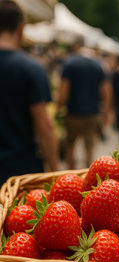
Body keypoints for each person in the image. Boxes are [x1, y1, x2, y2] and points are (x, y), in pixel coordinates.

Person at [0, 0, 58, 184]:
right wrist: (54, 171)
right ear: (21, 28)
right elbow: (44, 124)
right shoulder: (31, 68)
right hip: (20, 173)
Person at [58, 37, 111, 169]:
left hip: (73, 113)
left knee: (70, 145)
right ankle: (87, 175)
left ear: (75, 46)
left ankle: (71, 174)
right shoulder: (97, 64)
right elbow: (106, 90)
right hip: (92, 114)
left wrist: (59, 107)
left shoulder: (69, 64)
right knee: (89, 147)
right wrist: (106, 111)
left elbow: (63, 90)